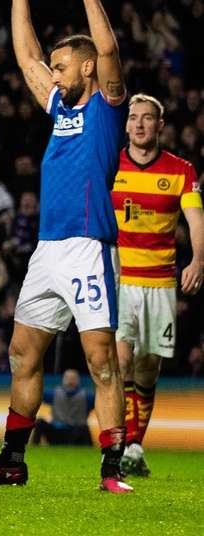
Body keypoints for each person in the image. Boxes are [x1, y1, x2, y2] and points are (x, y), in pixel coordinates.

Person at [0, 0, 132, 493]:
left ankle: (111, 467)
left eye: (63, 67)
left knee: (101, 359)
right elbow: (26, 57)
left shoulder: (106, 106)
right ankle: (12, 460)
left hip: (88, 247)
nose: (52, 75)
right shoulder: (59, 107)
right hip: (47, 250)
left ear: (85, 68)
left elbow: (107, 47)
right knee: (22, 353)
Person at [111, 94, 203, 476]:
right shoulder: (110, 164)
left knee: (147, 369)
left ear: (160, 125)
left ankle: (135, 445)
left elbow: (195, 218)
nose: (139, 124)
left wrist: (198, 259)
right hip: (119, 280)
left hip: (160, 283)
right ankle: (116, 446)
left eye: (148, 118)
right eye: (133, 118)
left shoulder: (181, 170)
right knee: (120, 361)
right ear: (126, 124)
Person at [32, 369, 95, 446]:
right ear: (63, 380)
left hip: (75, 435)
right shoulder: (54, 393)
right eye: (67, 378)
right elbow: (36, 395)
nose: (70, 381)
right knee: (40, 422)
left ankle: (90, 449)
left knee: (83, 428)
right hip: (56, 433)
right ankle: (34, 447)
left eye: (73, 379)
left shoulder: (88, 396)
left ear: (78, 380)